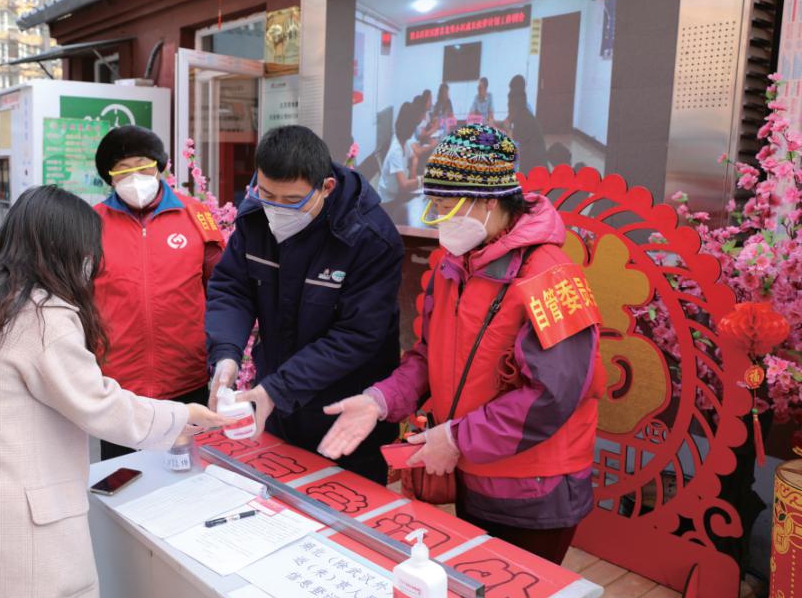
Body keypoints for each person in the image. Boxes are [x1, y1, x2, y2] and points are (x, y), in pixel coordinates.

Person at [0, 184, 230, 598]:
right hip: (17, 523)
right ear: (64, 250)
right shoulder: (36, 317)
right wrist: (183, 417)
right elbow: (99, 405)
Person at [318, 124, 604, 564]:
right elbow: (428, 357)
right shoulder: (455, 267)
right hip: (473, 473)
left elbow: (551, 397)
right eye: (434, 203)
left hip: (535, 489)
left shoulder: (550, 277)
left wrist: (456, 439)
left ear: (488, 203)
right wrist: (380, 400)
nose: (439, 215)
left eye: (446, 205)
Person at [206, 125, 404, 484]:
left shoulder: (370, 238)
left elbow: (358, 335)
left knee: (345, 519)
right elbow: (231, 287)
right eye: (266, 194)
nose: (276, 210)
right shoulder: (256, 218)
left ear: (325, 188)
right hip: (278, 403)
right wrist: (226, 355)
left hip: (344, 413)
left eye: (292, 200)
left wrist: (275, 390)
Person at [91, 126, 226, 460]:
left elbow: (223, 291)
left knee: (186, 475)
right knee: (124, 480)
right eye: (122, 170)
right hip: (119, 387)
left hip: (185, 379)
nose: (135, 177)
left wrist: (223, 354)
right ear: (110, 178)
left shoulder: (197, 215)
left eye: (142, 166)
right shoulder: (90, 224)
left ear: (160, 166)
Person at [503, 75, 550, 171]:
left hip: (534, 171)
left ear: (514, 105)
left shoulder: (523, 119)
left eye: (509, 104)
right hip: (534, 165)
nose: (508, 108)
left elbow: (512, 138)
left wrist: (507, 128)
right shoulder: (523, 113)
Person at [377, 102, 421, 204]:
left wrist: (414, 170)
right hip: (388, 202)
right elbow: (404, 185)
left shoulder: (404, 143)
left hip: (398, 195)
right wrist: (421, 181)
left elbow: (414, 156)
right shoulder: (396, 150)